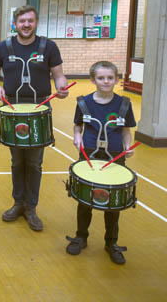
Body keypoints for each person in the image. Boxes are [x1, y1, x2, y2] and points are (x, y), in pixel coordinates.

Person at [0, 5, 69, 231]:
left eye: (30, 21)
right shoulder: (4, 47)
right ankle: (18, 203)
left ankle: (31, 207)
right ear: (15, 23)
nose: (26, 25)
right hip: (12, 110)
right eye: (22, 21)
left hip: (39, 110)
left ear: (36, 22)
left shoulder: (48, 47)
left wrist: (61, 87)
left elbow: (59, 75)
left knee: (34, 162)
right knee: (17, 160)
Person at [66, 61, 136, 265]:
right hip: (89, 155)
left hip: (115, 156)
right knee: (85, 200)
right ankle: (81, 237)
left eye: (110, 78)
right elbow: (77, 126)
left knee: (113, 203)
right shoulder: (83, 102)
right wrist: (77, 137)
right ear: (92, 80)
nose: (106, 81)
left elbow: (125, 131)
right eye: (101, 78)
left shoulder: (124, 104)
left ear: (116, 79)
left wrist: (128, 146)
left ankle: (111, 242)